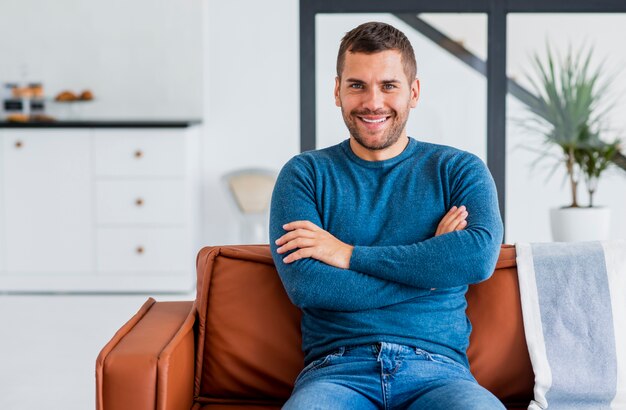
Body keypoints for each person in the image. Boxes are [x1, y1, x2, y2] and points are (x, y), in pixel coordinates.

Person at [269, 21, 504, 409]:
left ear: (413, 92)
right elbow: (308, 285)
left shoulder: (459, 169)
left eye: (389, 86)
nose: (373, 102)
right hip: (336, 372)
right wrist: (433, 265)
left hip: (439, 372)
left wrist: (348, 255)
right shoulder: (304, 174)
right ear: (337, 91)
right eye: (357, 85)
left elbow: (477, 258)